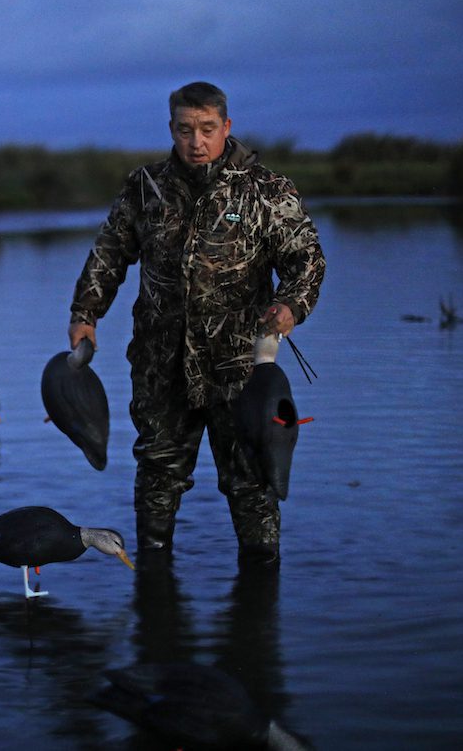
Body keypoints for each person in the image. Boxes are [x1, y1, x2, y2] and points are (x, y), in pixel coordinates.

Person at [68, 81, 325, 562]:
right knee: (158, 472)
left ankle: (260, 588)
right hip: (160, 362)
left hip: (240, 367)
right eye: (185, 130)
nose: (196, 141)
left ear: (226, 127)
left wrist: (291, 305)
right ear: (172, 129)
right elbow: (108, 254)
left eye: (207, 129)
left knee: (250, 477)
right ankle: (153, 580)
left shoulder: (265, 190)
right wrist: (86, 313)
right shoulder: (145, 186)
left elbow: (306, 260)